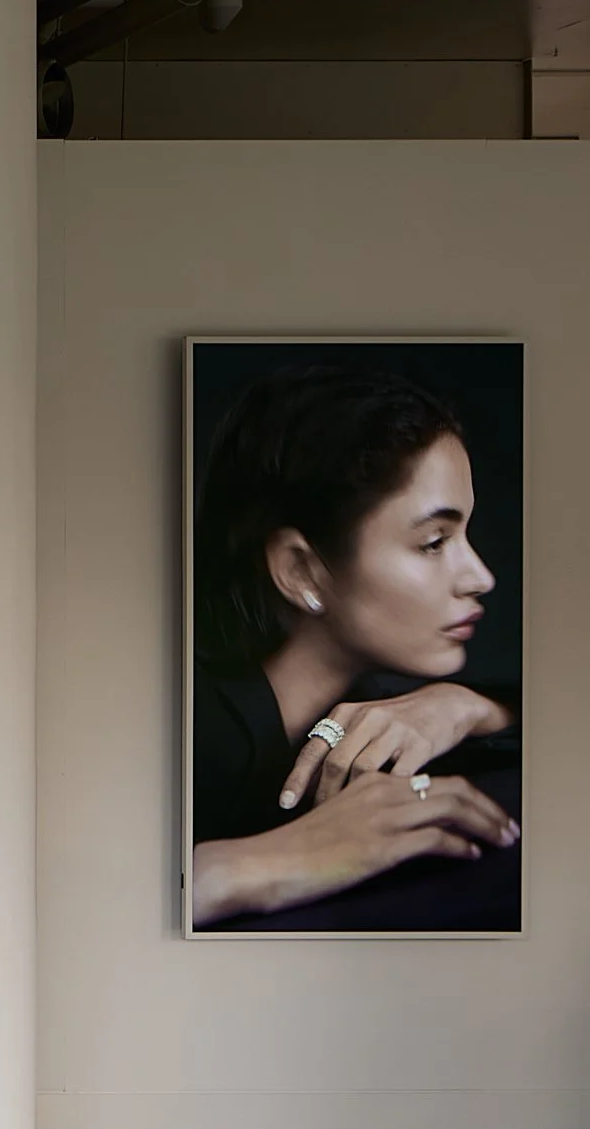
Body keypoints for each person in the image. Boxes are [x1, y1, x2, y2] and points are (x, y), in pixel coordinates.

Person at [189, 364, 521, 931]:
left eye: (466, 534)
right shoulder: (179, 729)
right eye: (434, 541)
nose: (481, 576)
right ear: (301, 571)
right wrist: (243, 866)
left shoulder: (380, 710)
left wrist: (467, 705)